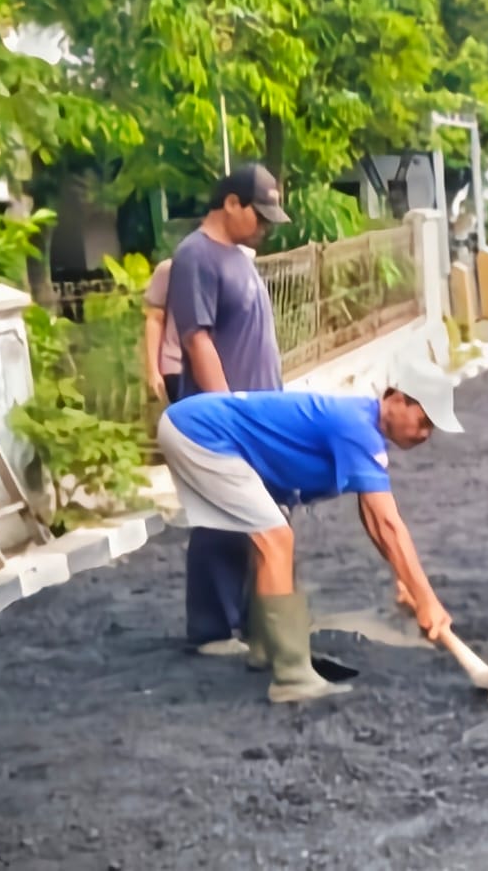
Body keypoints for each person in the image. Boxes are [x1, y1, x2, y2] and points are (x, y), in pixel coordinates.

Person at [157, 358, 463, 703]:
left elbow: (374, 520)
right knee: (275, 539)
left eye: (431, 429)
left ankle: (266, 647)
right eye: (423, 421)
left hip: (198, 427)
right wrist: (428, 601)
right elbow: (387, 523)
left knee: (273, 537)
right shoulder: (356, 427)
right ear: (395, 398)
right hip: (200, 432)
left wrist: (406, 581)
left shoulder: (360, 424)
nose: (424, 435)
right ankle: (291, 675)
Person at [168, 164, 289, 657]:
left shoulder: (239, 256)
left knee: (257, 516)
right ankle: (214, 628)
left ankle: (255, 621)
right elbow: (197, 339)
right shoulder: (196, 256)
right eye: (258, 215)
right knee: (222, 515)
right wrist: (226, 412)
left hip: (258, 409)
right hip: (226, 414)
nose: (264, 226)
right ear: (232, 204)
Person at [143, 258, 182, 404]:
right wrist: (153, 371)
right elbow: (154, 319)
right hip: (177, 365)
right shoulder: (169, 269)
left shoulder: (232, 264)